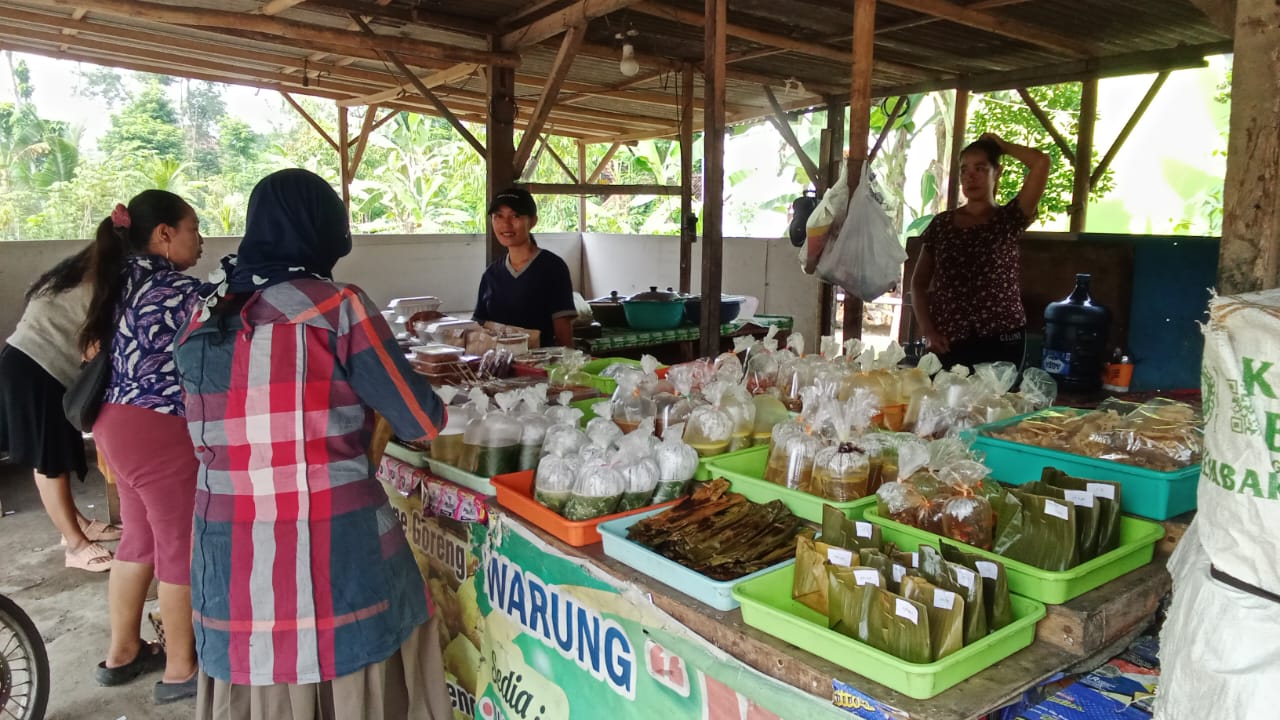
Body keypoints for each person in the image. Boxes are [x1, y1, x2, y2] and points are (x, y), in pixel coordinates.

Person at [174, 169, 451, 719]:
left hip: (229, 559)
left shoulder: (204, 313)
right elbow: (420, 420)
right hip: (333, 555)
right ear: (324, 228)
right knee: (349, 683)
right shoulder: (337, 307)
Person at [83, 192, 203, 704]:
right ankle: (181, 669)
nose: (202, 240)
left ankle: (123, 653)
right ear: (164, 235)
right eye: (194, 229)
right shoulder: (177, 289)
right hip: (158, 427)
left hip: (115, 424)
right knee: (179, 545)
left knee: (139, 540)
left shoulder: (116, 281)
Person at [0, 246, 121, 572]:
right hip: (35, 369)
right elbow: (96, 347)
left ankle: (77, 523)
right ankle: (75, 543)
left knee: (56, 454)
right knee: (49, 462)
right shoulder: (107, 283)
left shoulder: (78, 271)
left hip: (37, 366)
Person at [909, 132, 1050, 369]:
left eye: (980, 168)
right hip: (950, 338)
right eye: (964, 169)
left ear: (998, 172)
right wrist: (928, 331)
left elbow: (1041, 163)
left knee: (997, 404)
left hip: (1002, 338)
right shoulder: (942, 224)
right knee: (944, 402)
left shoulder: (1009, 219)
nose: (970, 176)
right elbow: (918, 284)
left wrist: (1002, 144)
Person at [473, 186, 577, 347]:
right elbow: (479, 325)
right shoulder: (491, 273)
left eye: (515, 216)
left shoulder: (552, 267)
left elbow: (563, 330)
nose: (506, 224)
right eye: (498, 216)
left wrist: (568, 365)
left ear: (533, 221)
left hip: (539, 366)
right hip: (499, 366)